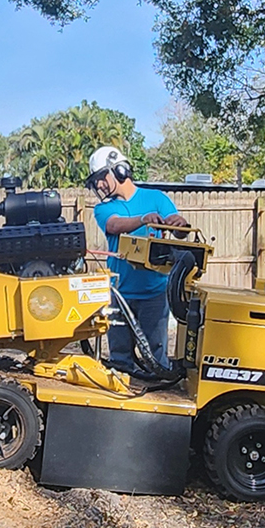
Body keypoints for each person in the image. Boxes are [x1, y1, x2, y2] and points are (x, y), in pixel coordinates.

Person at [86, 145, 189, 374]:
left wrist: (179, 225)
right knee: (120, 359)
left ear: (120, 171)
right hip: (120, 294)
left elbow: (179, 231)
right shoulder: (103, 209)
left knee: (157, 358)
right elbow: (115, 225)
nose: (99, 185)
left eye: (102, 178)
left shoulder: (156, 198)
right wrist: (143, 219)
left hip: (154, 292)